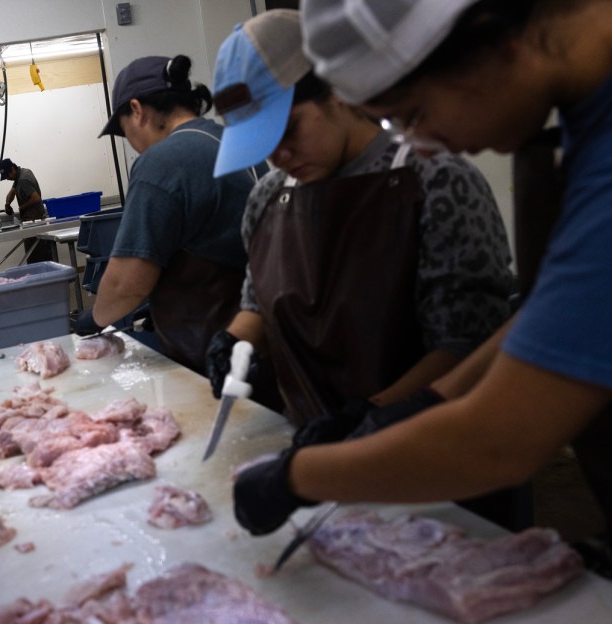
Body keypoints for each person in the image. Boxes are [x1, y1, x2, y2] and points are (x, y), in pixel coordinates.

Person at [233, 0, 612, 572]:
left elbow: (499, 441)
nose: (425, 142)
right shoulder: (586, 115)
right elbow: (549, 315)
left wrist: (296, 478)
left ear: (488, 41)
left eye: (411, 114)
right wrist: (426, 401)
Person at [206, 10, 515, 439]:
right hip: (310, 443)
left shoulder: (435, 179)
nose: (279, 157)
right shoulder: (267, 199)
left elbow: (466, 343)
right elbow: (256, 304)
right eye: (264, 144)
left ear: (337, 92)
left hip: (432, 444)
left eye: (289, 130)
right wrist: (234, 342)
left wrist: (369, 415)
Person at [76, 55, 268, 374]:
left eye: (125, 133)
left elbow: (127, 283)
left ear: (137, 111)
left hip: (219, 352)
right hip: (266, 336)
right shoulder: (230, 140)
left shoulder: (163, 160)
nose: (135, 147)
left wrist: (94, 317)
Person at [0, 157, 49, 261]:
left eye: (7, 175)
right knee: (35, 255)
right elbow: (12, 192)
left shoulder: (23, 180)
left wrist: (22, 207)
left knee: (36, 256)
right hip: (30, 219)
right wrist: (7, 203)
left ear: (13, 169)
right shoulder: (22, 173)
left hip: (34, 220)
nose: (7, 178)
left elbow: (36, 198)